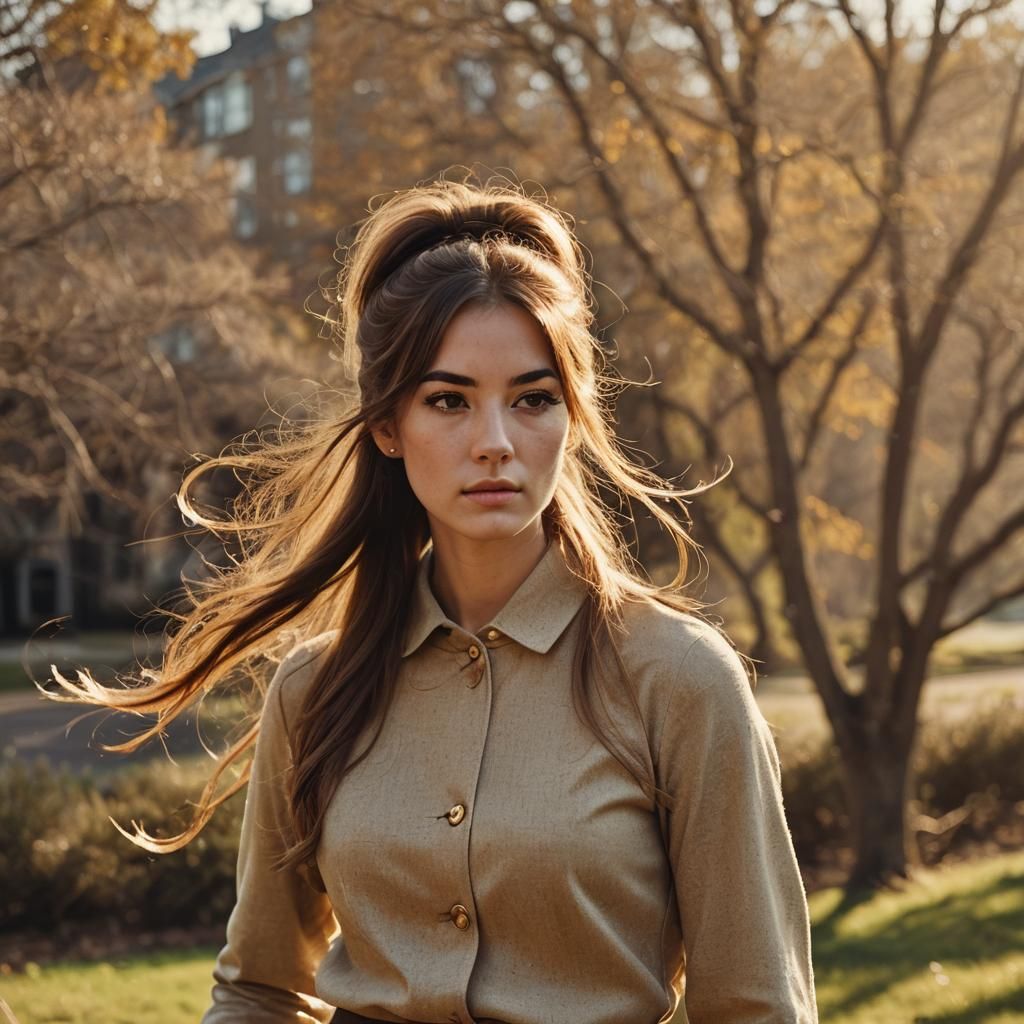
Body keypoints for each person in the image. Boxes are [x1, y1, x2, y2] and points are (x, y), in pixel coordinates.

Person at [48, 175, 818, 1023]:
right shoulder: (316, 691)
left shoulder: (678, 680)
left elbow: (757, 1007)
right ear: (387, 425)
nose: (494, 443)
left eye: (532, 400)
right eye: (448, 401)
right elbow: (261, 991)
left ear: (573, 416)